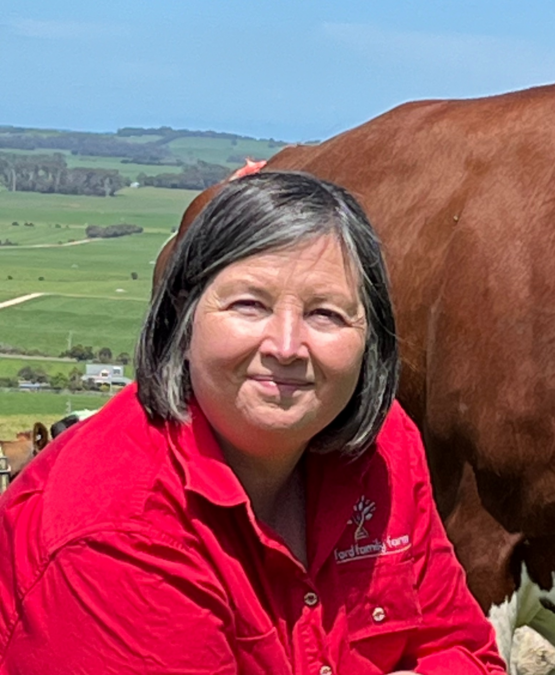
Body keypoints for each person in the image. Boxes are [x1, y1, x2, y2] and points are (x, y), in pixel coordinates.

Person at [0, 171, 507, 675]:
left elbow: (469, 654)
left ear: (370, 335)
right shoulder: (117, 534)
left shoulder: (384, 446)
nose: (286, 347)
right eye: (249, 305)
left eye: (326, 314)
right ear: (186, 311)